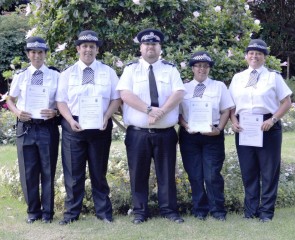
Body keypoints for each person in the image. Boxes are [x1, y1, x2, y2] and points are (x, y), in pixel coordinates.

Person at [116, 28, 185, 224]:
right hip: (138, 133)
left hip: (165, 132)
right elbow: (125, 95)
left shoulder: (170, 69)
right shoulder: (131, 69)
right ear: (141, 47)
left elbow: (179, 93)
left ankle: (169, 210)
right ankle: (140, 212)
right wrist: (149, 110)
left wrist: (161, 111)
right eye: (147, 44)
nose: (150, 48)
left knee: (167, 173)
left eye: (154, 44)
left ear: (159, 47)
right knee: (138, 173)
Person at [56, 30, 121, 225]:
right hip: (74, 125)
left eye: (92, 47)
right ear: (78, 49)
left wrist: (107, 116)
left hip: (100, 126)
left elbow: (116, 98)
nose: (88, 50)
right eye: (84, 46)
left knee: (98, 171)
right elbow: (61, 101)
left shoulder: (108, 72)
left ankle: (103, 212)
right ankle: (71, 213)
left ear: (97, 50)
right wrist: (69, 120)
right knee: (74, 174)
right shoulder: (68, 74)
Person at [229, 39, 292, 222]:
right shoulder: (238, 78)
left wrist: (273, 120)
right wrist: (233, 121)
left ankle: (266, 212)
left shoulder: (273, 77)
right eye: (251, 53)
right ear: (246, 56)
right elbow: (231, 106)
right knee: (248, 170)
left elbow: (286, 102)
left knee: (269, 171)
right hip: (244, 127)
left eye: (259, 53)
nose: (254, 56)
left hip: (267, 126)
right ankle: (250, 211)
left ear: (264, 57)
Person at [6, 36, 60, 224]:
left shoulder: (55, 75)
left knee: (47, 170)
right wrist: (17, 112)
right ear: (28, 54)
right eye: (33, 52)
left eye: (40, 52)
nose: (37, 56)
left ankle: (48, 213)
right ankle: (33, 212)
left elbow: (63, 102)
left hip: (47, 127)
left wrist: (55, 112)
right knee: (28, 172)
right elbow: (10, 100)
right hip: (26, 128)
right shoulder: (21, 76)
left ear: (45, 54)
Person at [178, 51, 234, 221]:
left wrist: (220, 129)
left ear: (209, 68)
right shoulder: (184, 88)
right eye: (198, 66)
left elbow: (226, 110)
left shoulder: (219, 86)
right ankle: (200, 209)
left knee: (212, 174)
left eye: (205, 66)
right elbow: (178, 114)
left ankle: (217, 210)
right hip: (189, 136)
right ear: (192, 68)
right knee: (194, 174)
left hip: (213, 135)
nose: (202, 69)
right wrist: (186, 125)